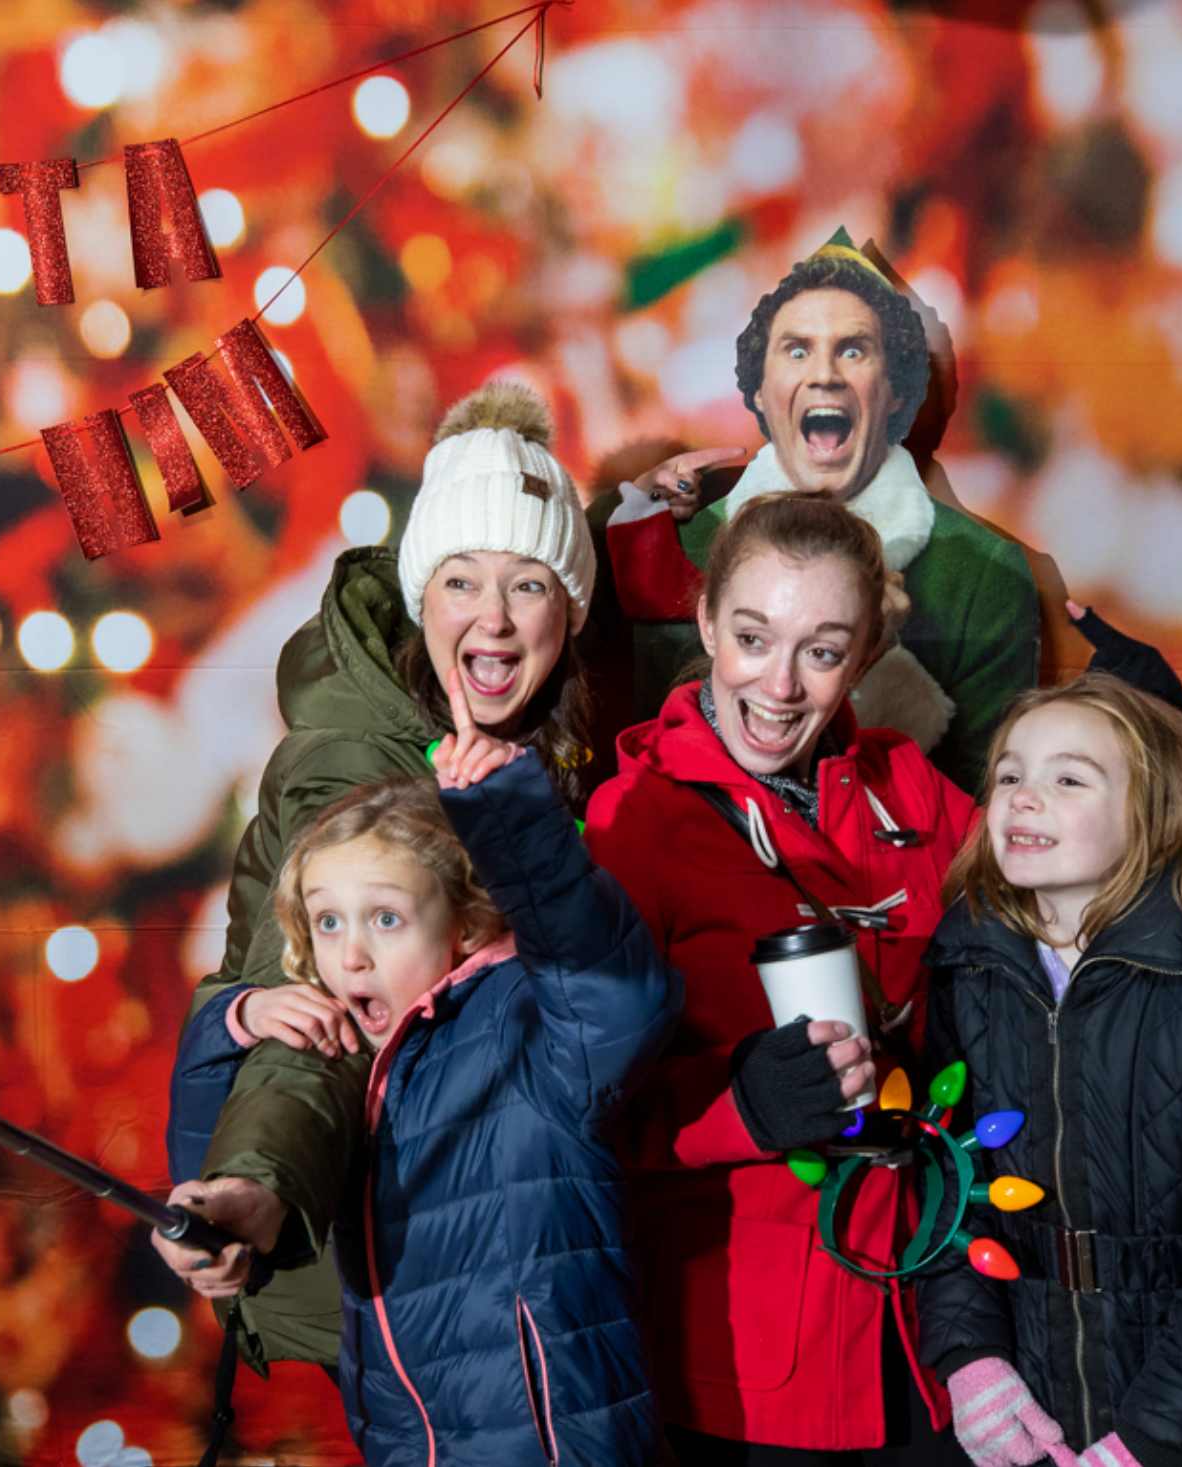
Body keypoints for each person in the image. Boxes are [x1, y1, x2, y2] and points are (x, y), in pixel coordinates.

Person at [163, 379, 606, 1373]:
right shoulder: (353, 768)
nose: (491, 619)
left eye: (526, 584)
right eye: (460, 581)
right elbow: (314, 1017)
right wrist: (254, 1183)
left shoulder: (556, 737)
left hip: (533, 1251)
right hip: (406, 1269)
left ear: (569, 609)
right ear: (420, 597)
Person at [157, 671, 681, 1467]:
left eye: (386, 917)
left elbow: (612, 989)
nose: (351, 951)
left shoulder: (525, 1028)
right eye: (328, 920)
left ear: (467, 924)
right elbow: (213, 1156)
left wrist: (512, 817)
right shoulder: (366, 1052)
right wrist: (236, 1023)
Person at [584, 492, 973, 1464]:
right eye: (753, 637)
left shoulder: (910, 791)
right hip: (751, 1366)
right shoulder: (632, 822)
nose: (780, 685)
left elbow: (1048, 924)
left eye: (822, 649)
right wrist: (741, 1106)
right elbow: (564, 1106)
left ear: (867, 653)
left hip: (930, 1333)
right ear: (707, 618)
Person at [918, 672, 1182, 1467]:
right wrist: (969, 1358)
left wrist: (1148, 1441)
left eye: (1068, 777)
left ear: (1152, 812)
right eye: (1009, 773)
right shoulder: (965, 965)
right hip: (1031, 1415)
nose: (1024, 795)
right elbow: (946, 1186)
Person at [603, 229, 1040, 793]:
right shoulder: (680, 544)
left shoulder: (986, 578)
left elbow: (982, 811)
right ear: (760, 392)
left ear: (897, 392)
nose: (825, 374)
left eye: (853, 350)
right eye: (797, 349)